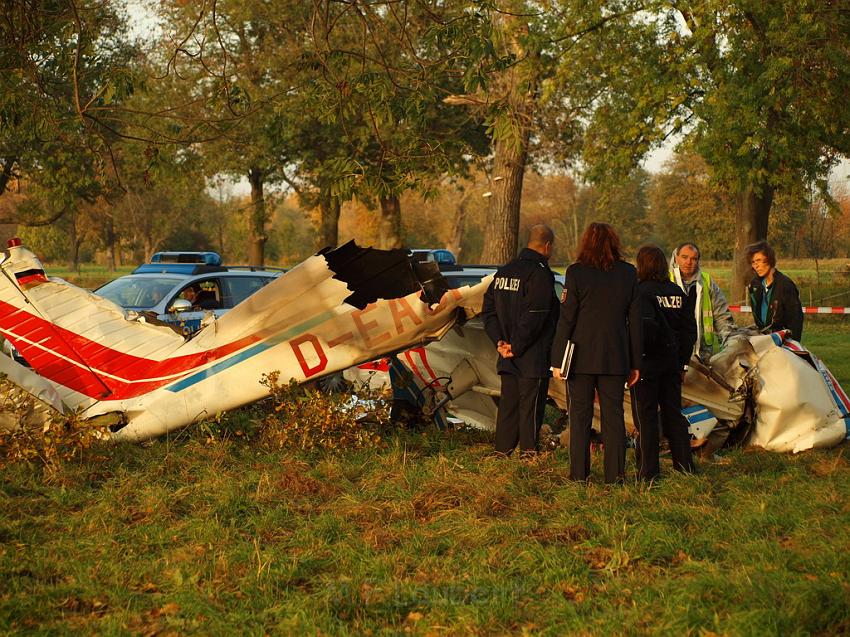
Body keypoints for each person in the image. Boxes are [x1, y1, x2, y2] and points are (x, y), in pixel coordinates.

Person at [550, 222, 641, 483]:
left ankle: (579, 475)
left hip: (580, 358)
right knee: (613, 417)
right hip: (615, 357)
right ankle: (616, 475)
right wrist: (635, 363)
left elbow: (566, 318)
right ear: (614, 243)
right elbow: (634, 322)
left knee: (579, 417)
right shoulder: (628, 273)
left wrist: (557, 359)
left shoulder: (576, 273)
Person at [482, 224, 559, 457]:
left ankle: (502, 452)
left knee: (508, 406)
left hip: (506, 354)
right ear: (547, 247)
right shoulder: (540, 275)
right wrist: (516, 345)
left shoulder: (504, 271)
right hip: (531, 356)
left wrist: (500, 342)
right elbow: (535, 316)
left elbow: (488, 310)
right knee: (531, 407)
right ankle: (528, 453)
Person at [631, 245, 697, 481]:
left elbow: (645, 330)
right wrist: (682, 363)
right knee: (673, 415)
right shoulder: (677, 292)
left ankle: (648, 472)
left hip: (647, 365)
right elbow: (690, 331)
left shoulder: (640, 292)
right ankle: (685, 466)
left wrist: (635, 360)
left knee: (646, 418)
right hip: (672, 365)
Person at [669, 242, 734, 361]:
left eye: (693, 259)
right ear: (676, 257)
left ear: (698, 261)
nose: (688, 262)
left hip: (702, 355)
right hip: (672, 355)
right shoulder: (666, 280)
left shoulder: (707, 282)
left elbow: (722, 316)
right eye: (684, 257)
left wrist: (729, 346)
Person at [746, 240, 804, 341]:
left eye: (759, 260)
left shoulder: (786, 285)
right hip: (762, 339)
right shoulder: (754, 285)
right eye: (753, 262)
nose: (756, 266)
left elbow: (795, 322)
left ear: (769, 259)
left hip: (783, 341)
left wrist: (791, 346)